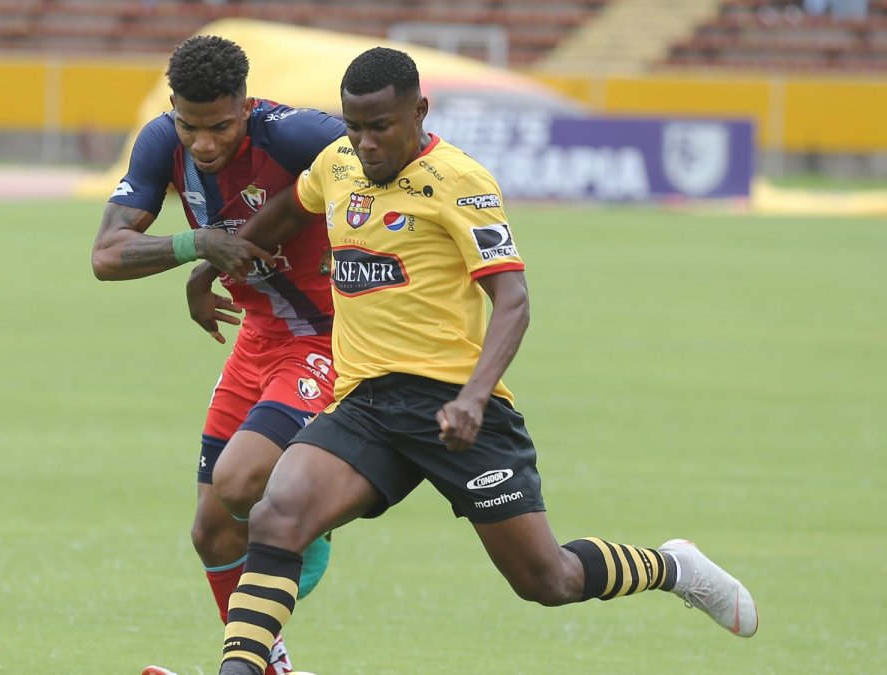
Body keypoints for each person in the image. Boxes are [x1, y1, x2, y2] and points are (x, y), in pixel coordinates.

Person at [152, 47, 759, 675]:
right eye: (354, 127)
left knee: (547, 579)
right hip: (365, 406)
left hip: (455, 409)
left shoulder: (461, 182)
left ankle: (674, 567)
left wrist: (473, 397)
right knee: (277, 515)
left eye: (380, 127)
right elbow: (287, 209)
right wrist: (211, 266)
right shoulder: (336, 164)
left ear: (419, 111)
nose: (365, 143)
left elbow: (514, 301)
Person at [89, 35, 347, 675]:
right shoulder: (161, 142)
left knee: (239, 484)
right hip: (256, 339)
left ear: (245, 104)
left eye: (220, 127)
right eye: (190, 125)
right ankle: (269, 664)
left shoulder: (293, 134)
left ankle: (311, 519)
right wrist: (198, 248)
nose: (203, 143)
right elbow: (106, 255)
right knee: (211, 531)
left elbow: (383, 159)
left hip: (326, 338)